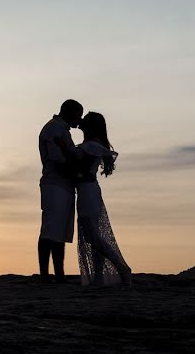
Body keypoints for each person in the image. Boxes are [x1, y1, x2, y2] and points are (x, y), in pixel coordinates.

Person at [73, 112, 131, 286]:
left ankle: (121, 267)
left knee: (92, 236)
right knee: (93, 235)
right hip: (88, 191)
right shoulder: (90, 145)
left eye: (85, 119)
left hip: (87, 191)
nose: (81, 120)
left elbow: (81, 170)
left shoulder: (91, 146)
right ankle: (99, 277)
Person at [37, 99, 83, 283]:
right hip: (55, 183)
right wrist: (78, 172)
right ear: (69, 112)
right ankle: (45, 274)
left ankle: (58, 273)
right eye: (78, 115)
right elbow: (58, 160)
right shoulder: (54, 129)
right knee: (50, 230)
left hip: (63, 185)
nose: (79, 120)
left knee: (60, 231)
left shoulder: (60, 129)